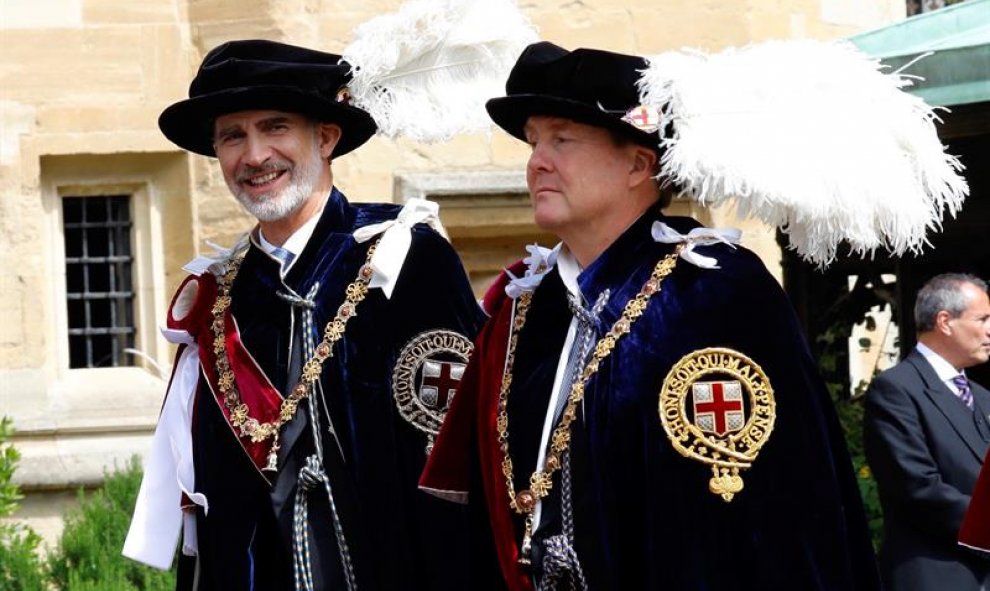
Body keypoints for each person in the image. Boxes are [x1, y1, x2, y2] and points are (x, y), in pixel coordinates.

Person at [420, 42, 882, 590]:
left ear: (639, 164)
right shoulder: (522, 304)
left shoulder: (713, 292)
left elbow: (775, 517)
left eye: (562, 140)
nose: (537, 161)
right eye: (534, 142)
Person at [122, 39, 485, 590]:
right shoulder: (220, 294)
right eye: (232, 136)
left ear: (326, 137)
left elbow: (457, 465)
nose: (254, 155)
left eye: (275, 127)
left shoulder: (404, 261)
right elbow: (208, 498)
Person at [864, 273, 990, 591]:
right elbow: (917, 487)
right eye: (983, 319)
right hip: (936, 574)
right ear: (945, 321)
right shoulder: (896, 389)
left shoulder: (984, 396)